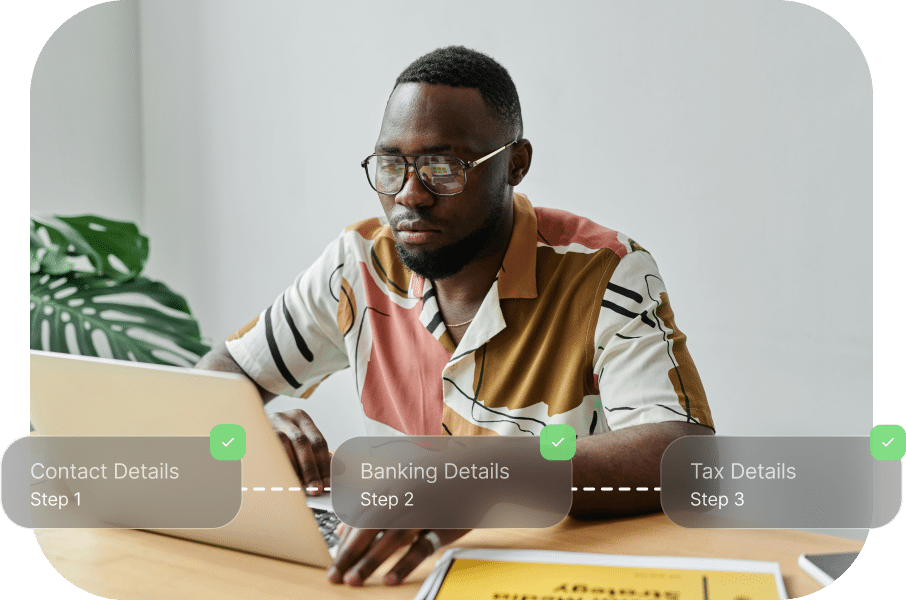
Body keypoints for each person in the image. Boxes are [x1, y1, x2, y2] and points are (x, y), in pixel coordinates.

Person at [196, 46, 715, 587]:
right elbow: (220, 373)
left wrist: (476, 479)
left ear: (516, 163)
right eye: (392, 165)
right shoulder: (358, 264)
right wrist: (249, 428)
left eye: (444, 168)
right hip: (395, 577)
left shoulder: (604, 272)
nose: (410, 195)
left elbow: (682, 454)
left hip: (548, 577)